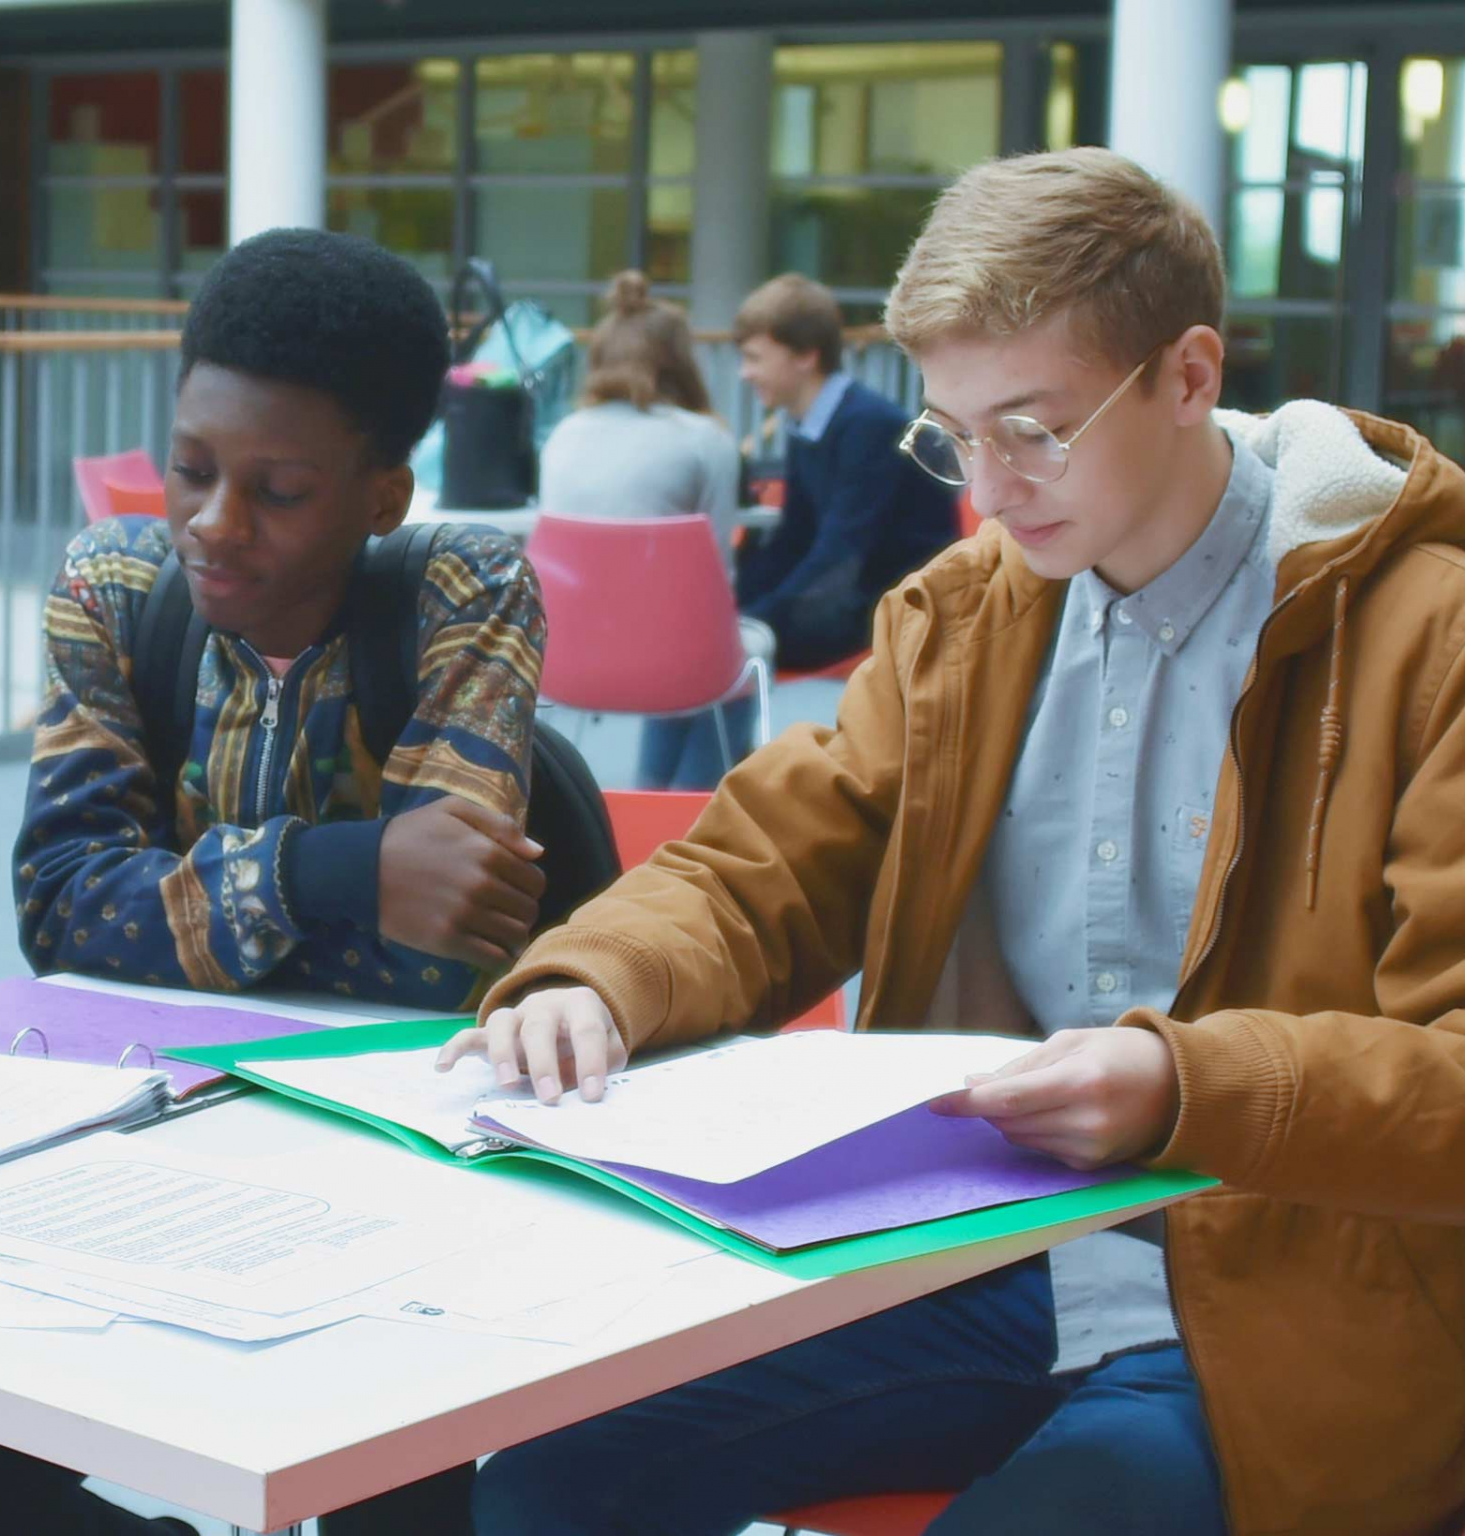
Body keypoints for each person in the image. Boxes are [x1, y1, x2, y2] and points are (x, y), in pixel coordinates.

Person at [439, 147, 1465, 1536]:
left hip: (1294, 1307)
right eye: (953, 434)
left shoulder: (1426, 632)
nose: (986, 486)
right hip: (980, 1260)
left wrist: (1185, 1087)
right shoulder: (965, 616)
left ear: (1187, 375)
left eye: (1033, 429)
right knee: (553, 1479)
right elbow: (773, 860)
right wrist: (598, 975)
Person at [0, 227, 544, 1534]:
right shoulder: (113, 588)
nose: (211, 524)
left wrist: (178, 899)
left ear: (382, 496)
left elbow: (439, 948)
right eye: (189, 470)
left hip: (402, 1170)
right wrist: (343, 863)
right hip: (133, 1152)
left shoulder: (466, 587)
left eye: (277, 491)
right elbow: (59, 909)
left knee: (386, 1483)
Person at [539, 269, 751, 789]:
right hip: (676, 661)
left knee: (678, 630)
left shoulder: (562, 435)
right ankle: (697, 813)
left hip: (565, 659)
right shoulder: (705, 439)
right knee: (715, 644)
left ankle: (648, 788)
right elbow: (716, 575)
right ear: (681, 360)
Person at [732, 272, 954, 671]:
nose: (743, 374)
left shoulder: (869, 426)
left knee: (720, 652)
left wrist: (755, 622)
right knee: (707, 639)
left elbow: (842, 554)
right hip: (850, 593)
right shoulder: (808, 422)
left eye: (754, 358)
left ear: (805, 356)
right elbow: (794, 538)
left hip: (898, 607)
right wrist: (733, 605)